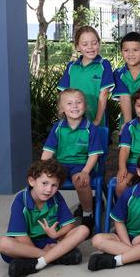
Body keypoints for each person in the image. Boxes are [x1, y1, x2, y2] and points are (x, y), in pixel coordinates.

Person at [0, 159, 89, 277]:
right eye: (44, 183)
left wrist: (56, 234)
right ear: (32, 181)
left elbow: (69, 225)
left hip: (52, 242)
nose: (49, 189)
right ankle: (55, 256)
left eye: (54, 185)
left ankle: (37, 262)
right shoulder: (21, 200)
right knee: (3, 243)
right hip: (27, 246)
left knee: (83, 230)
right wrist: (44, 252)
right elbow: (21, 236)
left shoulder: (56, 198)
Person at [88, 150, 140, 271]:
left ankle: (118, 259)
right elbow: (119, 221)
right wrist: (127, 243)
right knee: (97, 240)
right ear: (139, 171)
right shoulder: (129, 194)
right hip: (124, 237)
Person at [41, 88, 103, 230]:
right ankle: (48, 214)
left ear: (85, 106)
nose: (74, 106)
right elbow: (48, 152)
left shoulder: (90, 128)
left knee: (80, 181)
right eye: (69, 103)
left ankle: (87, 214)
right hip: (61, 165)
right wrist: (41, 169)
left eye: (78, 102)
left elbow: (94, 154)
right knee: (44, 180)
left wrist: (86, 171)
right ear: (61, 109)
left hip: (82, 165)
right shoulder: (58, 127)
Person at [58, 25, 114, 126]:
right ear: (77, 47)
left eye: (94, 43)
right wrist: (65, 118)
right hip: (73, 122)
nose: (90, 47)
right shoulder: (72, 67)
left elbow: (104, 93)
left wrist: (97, 121)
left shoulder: (103, 65)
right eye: (85, 44)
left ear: (99, 43)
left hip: (97, 121)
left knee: (95, 141)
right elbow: (63, 94)